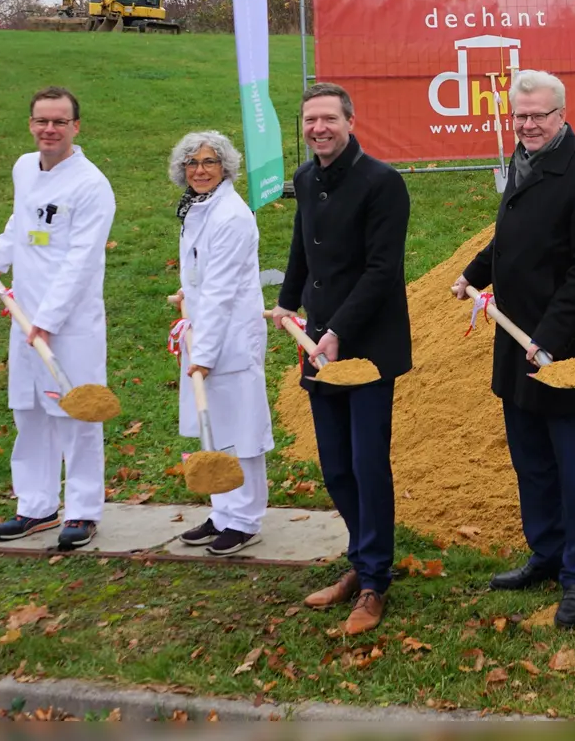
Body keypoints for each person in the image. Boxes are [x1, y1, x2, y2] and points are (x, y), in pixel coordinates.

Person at [451, 69, 575, 629]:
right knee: (531, 461)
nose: (527, 124)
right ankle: (546, 554)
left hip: (561, 351)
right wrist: (474, 271)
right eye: (520, 115)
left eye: (539, 115)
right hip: (512, 341)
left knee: (573, 468)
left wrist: (549, 334)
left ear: (562, 115)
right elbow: (512, 239)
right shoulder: (524, 162)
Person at [267, 83, 412, 636]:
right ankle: (361, 559)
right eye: (310, 120)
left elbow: (382, 270)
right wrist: (286, 303)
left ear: (351, 121)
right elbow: (303, 248)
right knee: (336, 465)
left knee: (368, 462)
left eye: (329, 118)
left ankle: (374, 581)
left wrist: (338, 332)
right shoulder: (305, 180)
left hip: (366, 346)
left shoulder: (382, 183)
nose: (319, 128)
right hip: (318, 345)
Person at [0, 87, 116, 550]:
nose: (49, 130)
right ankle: (35, 507)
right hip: (24, 316)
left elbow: (81, 261)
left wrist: (49, 319)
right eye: (41, 121)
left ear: (76, 126)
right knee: (30, 412)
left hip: (69, 325)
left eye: (59, 122)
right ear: (31, 124)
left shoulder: (92, 185)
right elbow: (20, 224)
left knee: (76, 413)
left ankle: (83, 511)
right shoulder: (23, 168)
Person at [167, 131, 275, 557]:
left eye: (209, 162)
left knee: (240, 429)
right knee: (215, 428)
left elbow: (222, 290)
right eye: (192, 163)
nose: (200, 170)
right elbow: (200, 275)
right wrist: (184, 294)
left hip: (227, 338)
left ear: (225, 168)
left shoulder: (230, 215)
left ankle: (246, 518)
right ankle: (223, 510)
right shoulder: (198, 208)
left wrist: (204, 354)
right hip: (205, 330)